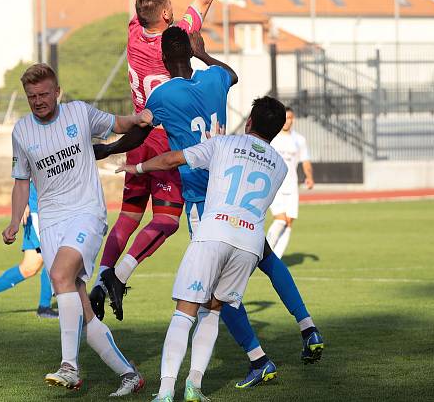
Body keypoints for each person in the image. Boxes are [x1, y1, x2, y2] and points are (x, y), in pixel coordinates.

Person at [98, 29, 324, 388]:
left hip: (206, 199)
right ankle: (307, 326)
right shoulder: (215, 78)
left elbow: (141, 134)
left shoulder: (162, 93)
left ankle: (255, 358)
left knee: (213, 294)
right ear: (189, 52)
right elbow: (231, 74)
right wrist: (204, 55)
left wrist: (111, 150)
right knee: (266, 258)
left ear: (162, 57)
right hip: (238, 191)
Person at [91, 0, 225, 323]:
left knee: (129, 214)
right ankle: (120, 276)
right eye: (168, 2)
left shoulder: (135, 30)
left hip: (136, 133)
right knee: (166, 220)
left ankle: (102, 278)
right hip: (165, 138)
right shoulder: (177, 36)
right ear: (166, 15)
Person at [116, 96, 289, 402]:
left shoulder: (222, 144)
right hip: (249, 244)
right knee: (214, 311)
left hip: (213, 233)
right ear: (276, 131)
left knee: (185, 312)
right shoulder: (281, 166)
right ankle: (194, 386)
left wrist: (137, 166)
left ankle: (166, 391)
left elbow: (172, 160)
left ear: (249, 122)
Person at [4, 63, 150, 395]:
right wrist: (15, 220)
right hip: (52, 223)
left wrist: (140, 117)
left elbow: (118, 124)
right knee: (83, 311)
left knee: (58, 275)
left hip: (87, 212)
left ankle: (69, 366)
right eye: (31, 96)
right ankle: (129, 374)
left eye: (43, 94)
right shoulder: (21, 132)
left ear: (57, 92)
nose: (38, 101)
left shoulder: (79, 113)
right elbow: (21, 182)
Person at [0, 180, 57, 319]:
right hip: (36, 211)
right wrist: (23, 202)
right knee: (53, 257)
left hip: (50, 210)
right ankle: (44, 307)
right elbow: (22, 172)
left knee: (29, 267)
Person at [266, 107, 314, 257]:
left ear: (294, 119)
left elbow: (305, 161)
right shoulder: (272, 137)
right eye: (285, 118)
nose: (288, 121)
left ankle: (276, 259)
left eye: (290, 118)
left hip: (292, 185)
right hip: (275, 185)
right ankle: (263, 253)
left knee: (288, 223)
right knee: (280, 220)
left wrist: (309, 177)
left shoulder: (299, 140)